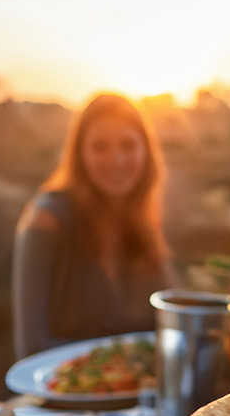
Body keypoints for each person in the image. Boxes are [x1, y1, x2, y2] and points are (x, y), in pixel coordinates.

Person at [12, 93, 175, 358]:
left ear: (146, 151)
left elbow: (168, 322)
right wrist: (119, 366)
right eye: (100, 147)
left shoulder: (141, 220)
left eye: (128, 145)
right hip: (60, 394)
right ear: (80, 154)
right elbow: (30, 348)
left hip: (138, 395)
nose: (117, 160)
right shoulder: (47, 220)